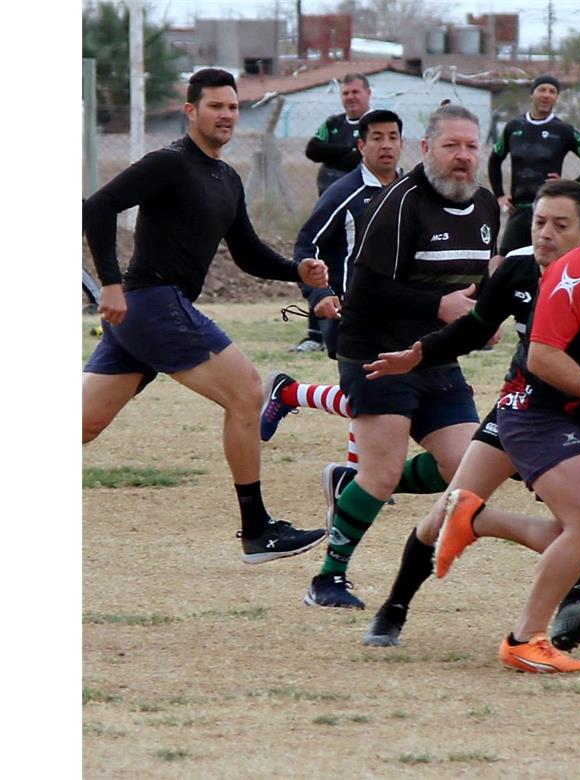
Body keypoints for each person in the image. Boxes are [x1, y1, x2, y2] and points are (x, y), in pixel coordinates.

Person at [424, 166, 580, 673]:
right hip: (536, 411)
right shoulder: (577, 274)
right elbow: (542, 357)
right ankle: (525, 640)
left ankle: (475, 519)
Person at [358, 179, 580, 652]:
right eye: (539, 222)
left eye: (560, 226)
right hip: (524, 409)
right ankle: (394, 608)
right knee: (446, 511)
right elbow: (473, 329)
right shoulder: (519, 268)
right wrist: (418, 354)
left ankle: (570, 604)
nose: (544, 234)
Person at [82, 68, 330, 564]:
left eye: (233, 107)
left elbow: (247, 251)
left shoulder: (226, 178)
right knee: (248, 393)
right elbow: (99, 207)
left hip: (145, 316)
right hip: (153, 302)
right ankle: (257, 530)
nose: (227, 115)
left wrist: (295, 270)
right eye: (216, 106)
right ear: (191, 111)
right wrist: (109, 282)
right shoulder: (170, 163)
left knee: (82, 424)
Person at [303, 103, 498, 609]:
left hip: (434, 354)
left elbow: (477, 283)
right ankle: (328, 579)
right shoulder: (400, 203)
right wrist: (439, 306)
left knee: (464, 468)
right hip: (376, 350)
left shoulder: (485, 205)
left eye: (471, 146)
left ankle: (350, 487)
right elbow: (363, 294)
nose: (462, 156)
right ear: (427, 149)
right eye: (451, 146)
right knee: (382, 474)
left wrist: (484, 318)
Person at [258, 109, 406, 488]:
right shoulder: (345, 191)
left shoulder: (410, 191)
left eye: (393, 137)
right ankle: (359, 478)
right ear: (361, 145)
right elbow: (307, 246)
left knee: (380, 394)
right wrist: (320, 293)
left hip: (399, 312)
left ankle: (291, 393)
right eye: (377, 138)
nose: (386, 145)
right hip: (350, 313)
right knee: (373, 393)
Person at [294, 73, 374, 352]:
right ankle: (314, 335)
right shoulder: (333, 123)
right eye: (345, 93)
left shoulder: (374, 125)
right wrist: (346, 153)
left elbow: (360, 159)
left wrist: (339, 155)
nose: (350, 97)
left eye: (355, 92)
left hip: (359, 213)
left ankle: (350, 329)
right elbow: (313, 149)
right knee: (319, 266)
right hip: (329, 211)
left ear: (368, 94)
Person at [488, 74, 580, 255]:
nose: (546, 95)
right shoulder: (513, 127)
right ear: (532, 94)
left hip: (550, 212)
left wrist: (571, 186)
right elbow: (494, 160)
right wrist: (500, 195)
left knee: (550, 262)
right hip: (520, 210)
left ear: (556, 97)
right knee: (504, 261)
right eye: (542, 90)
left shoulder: (564, 130)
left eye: (552, 91)